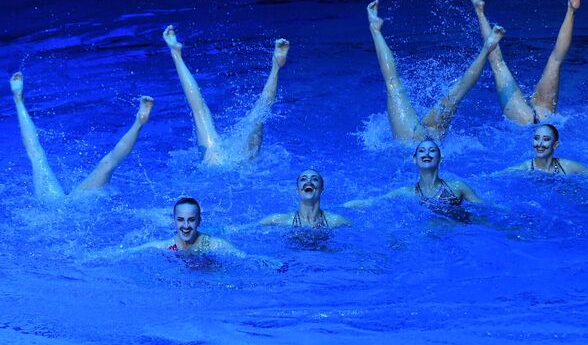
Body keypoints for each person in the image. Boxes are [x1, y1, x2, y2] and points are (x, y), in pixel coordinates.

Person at [367, 0, 505, 142]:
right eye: (429, 153)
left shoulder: (408, 144)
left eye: (429, 153)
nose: (427, 153)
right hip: (432, 137)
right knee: (457, 93)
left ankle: (375, 30)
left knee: (393, 85)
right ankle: (486, 49)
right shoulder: (434, 142)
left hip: (409, 138)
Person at [9, 72, 154, 202]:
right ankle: (138, 123)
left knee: (36, 155)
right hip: (72, 203)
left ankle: (18, 100)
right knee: (106, 165)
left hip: (53, 204)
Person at [162, 25, 289, 165]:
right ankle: (276, 66)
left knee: (203, 112)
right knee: (257, 117)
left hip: (215, 162)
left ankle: (176, 55)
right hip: (239, 163)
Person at [467, 0, 583, 124]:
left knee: (500, 64)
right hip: (537, 122)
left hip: (531, 120)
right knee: (554, 61)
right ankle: (571, 9)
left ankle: (480, 12)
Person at [128, 197, 286, 270]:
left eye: (191, 220)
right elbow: (133, 251)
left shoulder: (212, 244)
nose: (186, 226)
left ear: (199, 221)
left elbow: (243, 256)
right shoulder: (167, 246)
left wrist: (271, 263)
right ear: (174, 221)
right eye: (181, 220)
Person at [343, 139, 482, 212]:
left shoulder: (457, 187)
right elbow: (375, 201)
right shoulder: (408, 192)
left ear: (440, 159)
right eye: (422, 151)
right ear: (414, 159)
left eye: (432, 150)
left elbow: (484, 208)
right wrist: (346, 206)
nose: (427, 154)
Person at [259, 169, 351, 228]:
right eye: (303, 179)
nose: (309, 181)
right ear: (297, 190)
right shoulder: (281, 220)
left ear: (321, 190)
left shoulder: (335, 221)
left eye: (314, 179)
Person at [505, 124, 588, 175]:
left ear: (555, 145)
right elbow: (493, 179)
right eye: (536, 138)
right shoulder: (522, 170)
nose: (539, 144)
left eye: (546, 139)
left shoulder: (567, 167)